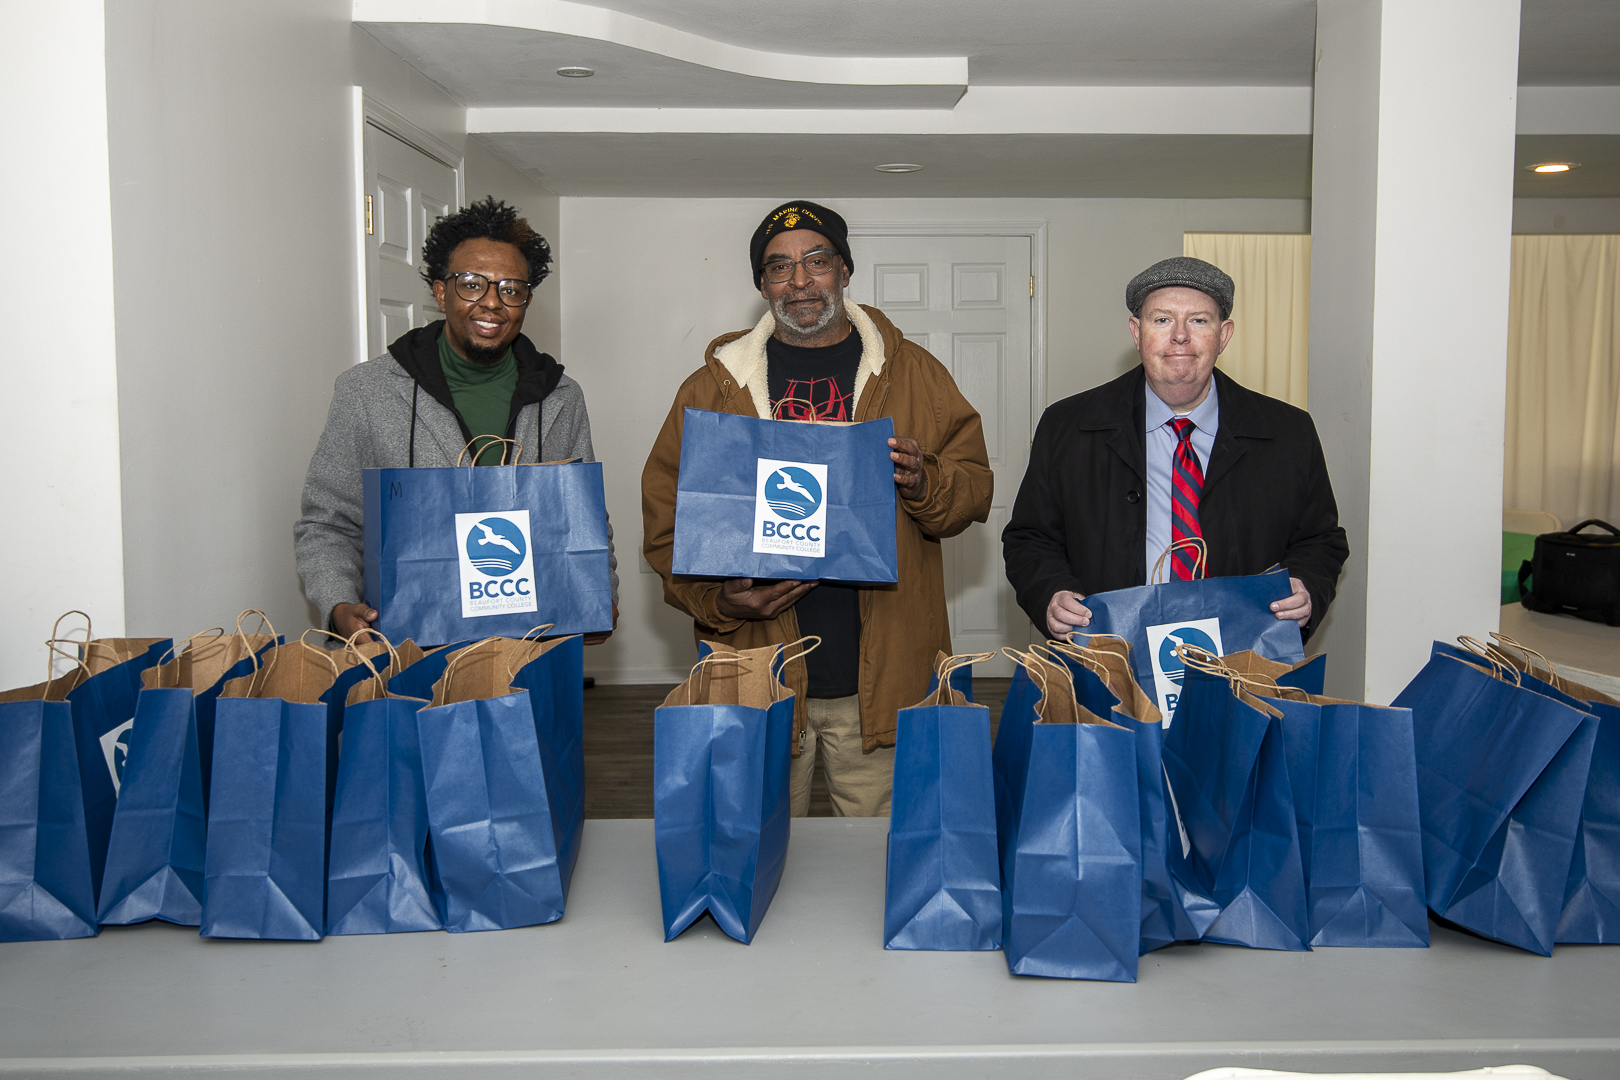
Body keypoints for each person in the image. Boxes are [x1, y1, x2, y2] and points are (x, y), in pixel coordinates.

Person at [641, 200, 992, 817]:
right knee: (756, 861)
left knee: (879, 864)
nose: (799, 282)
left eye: (817, 262)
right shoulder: (714, 388)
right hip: (758, 673)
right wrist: (716, 602)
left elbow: (973, 488)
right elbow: (668, 522)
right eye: (779, 268)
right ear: (761, 285)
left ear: (845, 270)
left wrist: (925, 480)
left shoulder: (912, 372)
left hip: (883, 678)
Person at [296, 196, 617, 641]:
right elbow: (328, 521)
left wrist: (599, 596)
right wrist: (338, 605)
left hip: (533, 642)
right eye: (472, 284)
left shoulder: (560, 397)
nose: (492, 303)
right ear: (441, 290)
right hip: (409, 648)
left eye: (511, 288)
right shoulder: (367, 391)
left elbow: (583, 518)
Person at [1002, 255, 1347, 641]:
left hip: (1242, 654)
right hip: (1108, 654)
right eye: (1162, 319)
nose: (1179, 335)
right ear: (1136, 332)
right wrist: (1051, 592)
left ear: (1224, 334)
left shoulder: (1289, 433)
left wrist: (1306, 585)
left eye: (1198, 320)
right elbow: (1029, 539)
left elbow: (1320, 540)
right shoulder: (1067, 427)